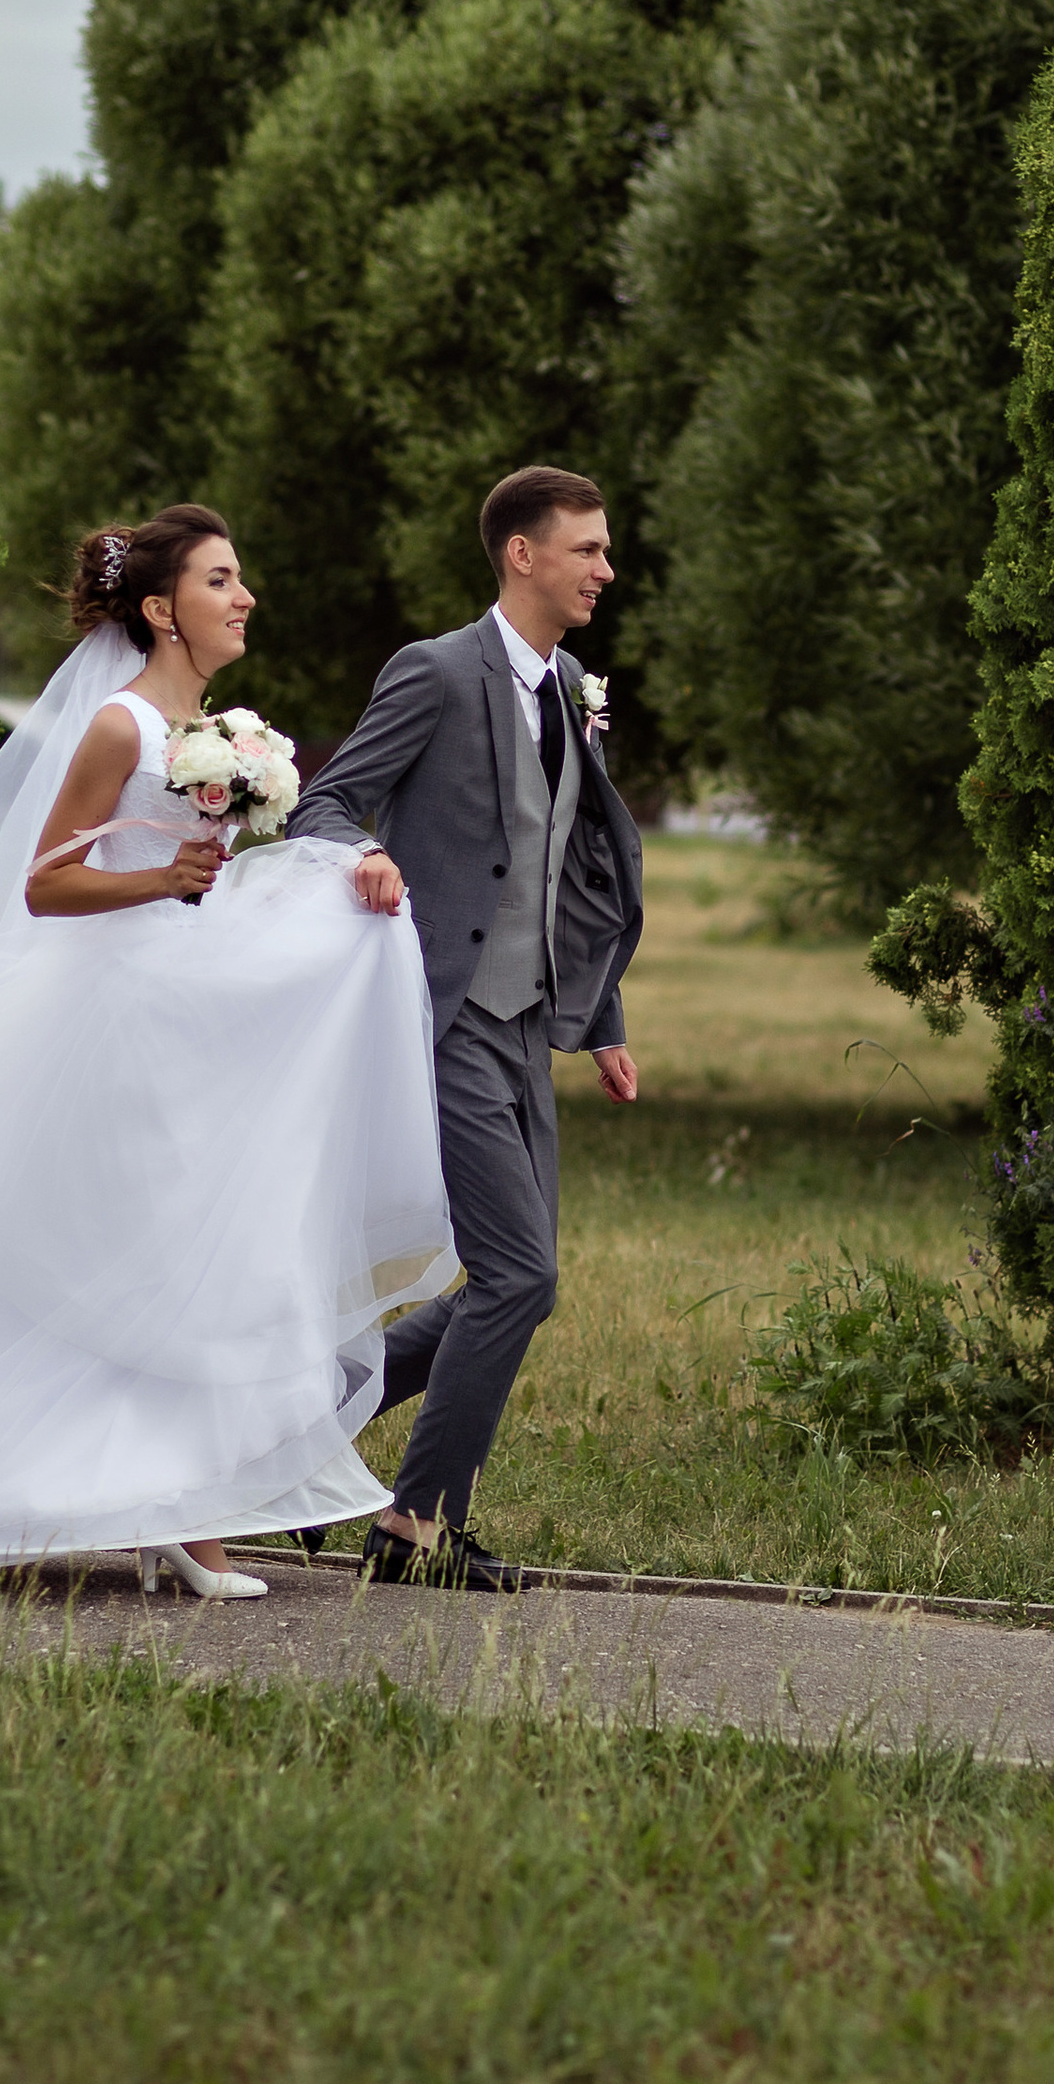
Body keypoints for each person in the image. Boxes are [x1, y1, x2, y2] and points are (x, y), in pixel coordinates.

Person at [0, 505, 456, 1597]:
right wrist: (162, 879)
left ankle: (184, 1508)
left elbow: (208, 873)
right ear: (161, 609)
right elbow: (46, 883)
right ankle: (84, 1502)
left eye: (240, 578)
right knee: (125, 1248)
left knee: (195, 1246)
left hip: (185, 1001)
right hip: (113, 1016)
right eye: (220, 580)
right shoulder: (119, 727)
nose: (243, 596)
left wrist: (345, 872)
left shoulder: (230, 735)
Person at [287, 465, 645, 1592]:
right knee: (517, 1275)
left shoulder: (574, 683)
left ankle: (292, 1418)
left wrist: (601, 1020)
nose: (605, 569)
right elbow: (326, 799)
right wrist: (368, 854)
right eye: (586, 549)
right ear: (521, 555)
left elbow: (574, 865)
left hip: (527, 1022)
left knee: (515, 1280)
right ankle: (412, 1529)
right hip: (440, 1016)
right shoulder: (435, 672)